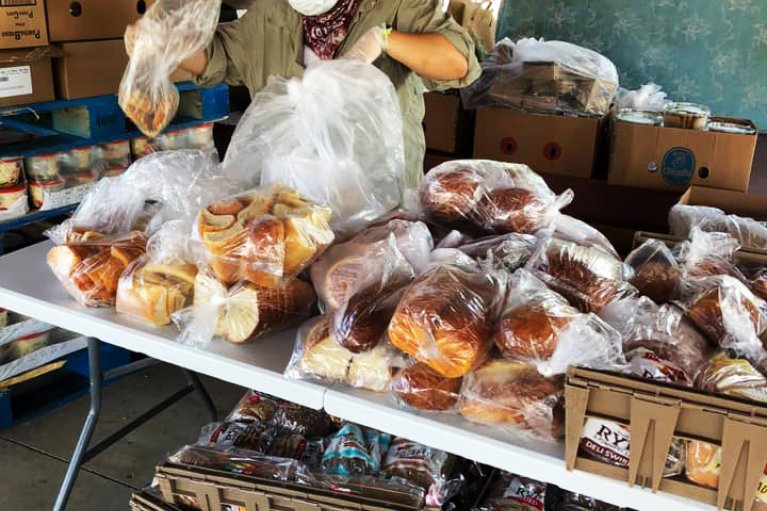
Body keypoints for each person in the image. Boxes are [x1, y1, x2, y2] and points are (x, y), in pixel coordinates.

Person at [125, 0, 481, 190]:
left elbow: (456, 62)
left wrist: (384, 40)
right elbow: (219, 57)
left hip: (377, 200)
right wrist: (161, 44)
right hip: (289, 201)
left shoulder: (397, 4)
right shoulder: (272, 10)